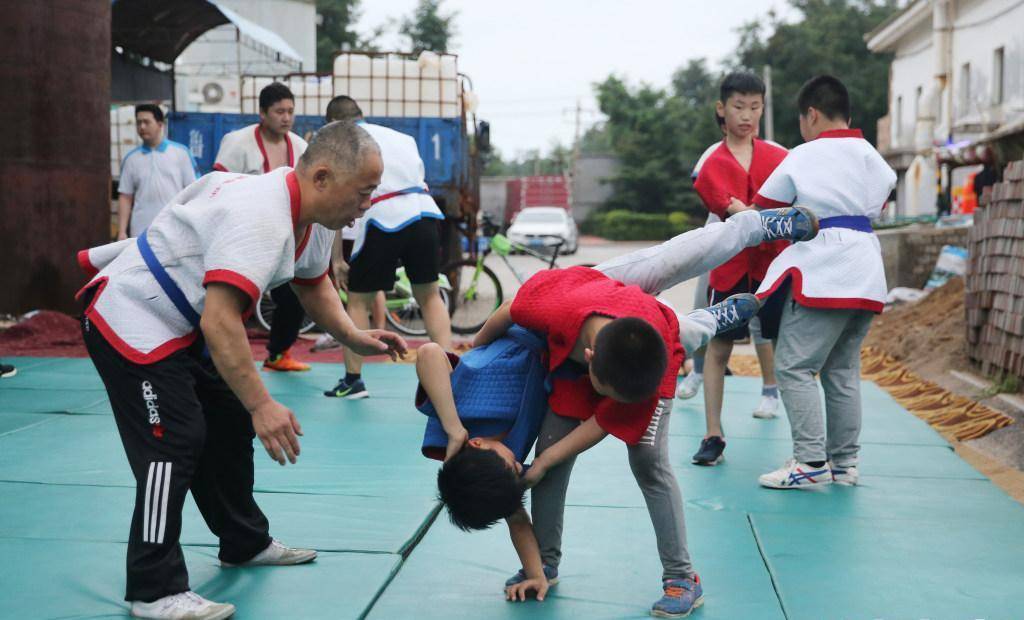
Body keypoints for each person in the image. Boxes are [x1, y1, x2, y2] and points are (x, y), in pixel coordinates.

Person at [75, 121, 407, 620]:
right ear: (321, 177)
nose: (368, 203)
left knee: (228, 420)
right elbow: (221, 321)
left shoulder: (317, 218)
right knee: (175, 440)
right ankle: (153, 587)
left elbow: (313, 284)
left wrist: (354, 336)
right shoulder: (261, 216)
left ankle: (243, 541)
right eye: (363, 191)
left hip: (181, 321)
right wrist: (263, 404)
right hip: (131, 316)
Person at [416, 206, 817, 613]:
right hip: (577, 324)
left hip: (609, 306)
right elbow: (515, 509)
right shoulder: (486, 471)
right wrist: (535, 566)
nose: (519, 466)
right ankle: (548, 563)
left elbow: (603, 419)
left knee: (648, 459)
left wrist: (472, 367)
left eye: (512, 466)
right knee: (549, 461)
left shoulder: (465, 420)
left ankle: (681, 576)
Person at [751, 75, 897, 489]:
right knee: (842, 370)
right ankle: (844, 464)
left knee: (793, 366)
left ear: (811, 115)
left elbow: (765, 207)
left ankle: (810, 461)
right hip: (866, 266)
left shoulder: (804, 155)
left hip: (826, 268)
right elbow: (879, 199)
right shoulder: (870, 155)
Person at [690, 72, 790, 467]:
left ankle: (803, 441)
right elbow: (731, 208)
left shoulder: (780, 159)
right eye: (738, 106)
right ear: (721, 109)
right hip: (730, 269)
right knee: (719, 347)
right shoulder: (712, 164)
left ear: (763, 109)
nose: (747, 115)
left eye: (755, 107)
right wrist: (760, 215)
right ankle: (713, 435)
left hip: (774, 266)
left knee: (784, 346)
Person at [321, 96, 451, 400]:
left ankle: (353, 381)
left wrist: (337, 258)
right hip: (424, 214)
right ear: (360, 114)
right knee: (430, 296)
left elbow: (340, 199)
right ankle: (450, 374)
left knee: (358, 301)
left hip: (384, 219)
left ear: (334, 123)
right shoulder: (402, 138)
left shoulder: (346, 142)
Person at [214, 82, 313, 373]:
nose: (286, 117)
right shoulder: (237, 142)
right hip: (242, 234)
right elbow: (219, 187)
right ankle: (217, 357)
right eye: (279, 111)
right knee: (234, 299)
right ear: (262, 113)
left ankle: (278, 354)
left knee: (293, 298)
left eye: (291, 111)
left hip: (283, 237)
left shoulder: (301, 147)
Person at [117, 104, 199, 240]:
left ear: (160, 124)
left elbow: (193, 191)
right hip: (140, 232)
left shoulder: (181, 153)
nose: (142, 127)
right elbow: (125, 197)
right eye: (139, 122)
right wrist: (121, 231)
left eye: (146, 122)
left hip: (174, 229)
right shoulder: (131, 159)